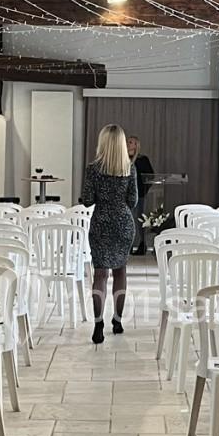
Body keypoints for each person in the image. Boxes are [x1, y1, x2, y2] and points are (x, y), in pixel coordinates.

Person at [80, 124, 139, 345]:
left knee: (100, 275)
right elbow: (132, 202)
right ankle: (117, 320)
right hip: (123, 224)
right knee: (120, 272)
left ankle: (97, 325)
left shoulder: (93, 169)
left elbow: (87, 200)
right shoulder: (129, 169)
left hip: (101, 223)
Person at [127, 135, 154, 255]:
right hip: (125, 196)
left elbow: (150, 176)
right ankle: (128, 245)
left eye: (131, 142)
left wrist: (144, 189)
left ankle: (142, 244)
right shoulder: (123, 159)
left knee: (138, 219)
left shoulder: (142, 159)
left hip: (139, 194)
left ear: (136, 145)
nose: (128, 144)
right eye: (127, 142)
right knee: (128, 220)